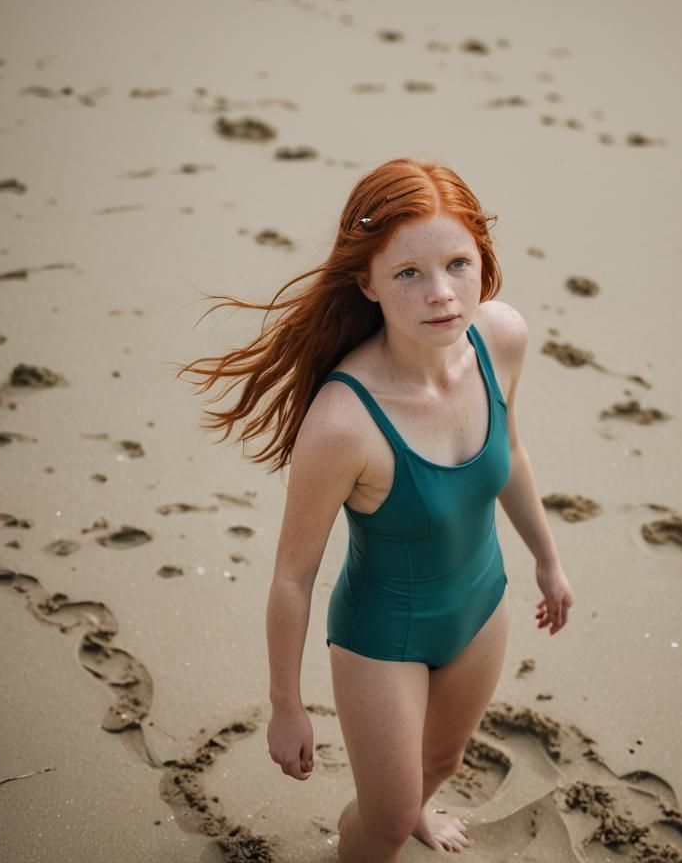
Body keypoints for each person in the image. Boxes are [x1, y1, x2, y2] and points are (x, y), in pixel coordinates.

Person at [177, 157, 574, 862]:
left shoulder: (502, 338)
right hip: (382, 638)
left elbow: (509, 452)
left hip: (481, 608)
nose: (442, 294)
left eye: (458, 263)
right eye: (408, 274)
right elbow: (293, 578)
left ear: (482, 256)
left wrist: (547, 559)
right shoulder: (342, 422)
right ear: (368, 283)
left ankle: (414, 806)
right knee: (385, 824)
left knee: (440, 766)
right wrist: (286, 704)